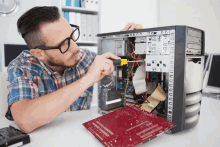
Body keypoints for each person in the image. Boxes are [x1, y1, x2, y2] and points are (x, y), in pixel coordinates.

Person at [5, 6, 143, 133]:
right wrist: (87, 79)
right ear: (39, 53)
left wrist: (126, 43)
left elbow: (113, 61)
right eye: (63, 44)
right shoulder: (21, 67)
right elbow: (25, 121)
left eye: (72, 36)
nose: (76, 47)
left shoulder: (82, 57)